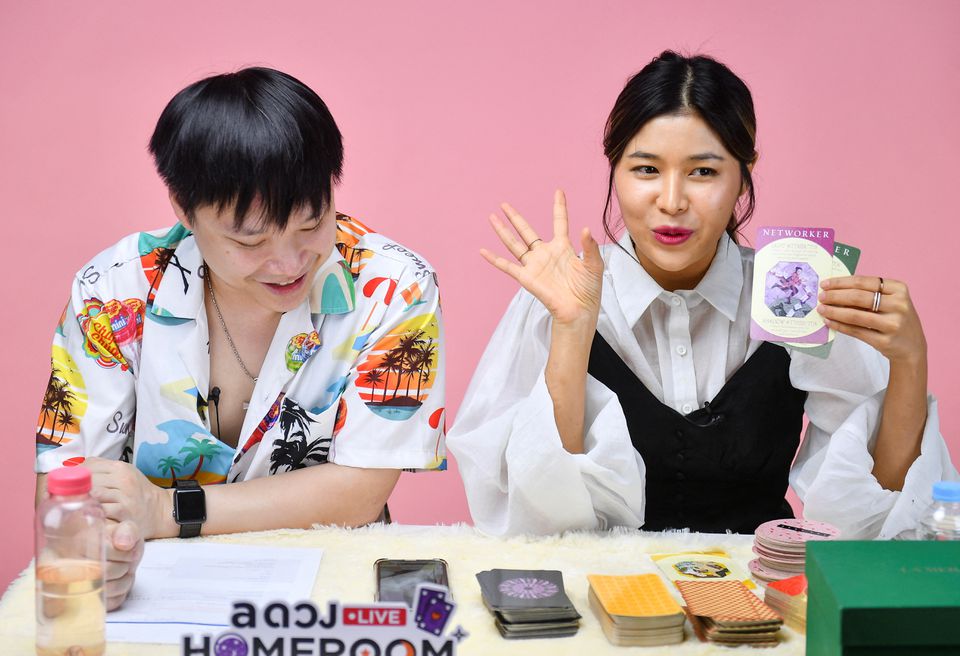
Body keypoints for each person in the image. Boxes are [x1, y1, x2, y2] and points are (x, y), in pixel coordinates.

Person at [449, 51, 957, 538]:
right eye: (645, 169)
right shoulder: (562, 293)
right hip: (610, 603)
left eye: (704, 172)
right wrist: (572, 331)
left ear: (744, 176)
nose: (671, 202)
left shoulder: (798, 294)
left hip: (757, 597)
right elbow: (535, 520)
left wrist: (910, 362)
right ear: (614, 170)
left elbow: (874, 517)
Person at [34, 68, 446, 609]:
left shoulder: (394, 287)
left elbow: (360, 490)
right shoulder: (113, 287)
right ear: (184, 209)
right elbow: (68, 480)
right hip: (152, 585)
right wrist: (92, 558)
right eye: (249, 240)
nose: (289, 263)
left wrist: (168, 510)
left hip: (327, 587)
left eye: (310, 224)